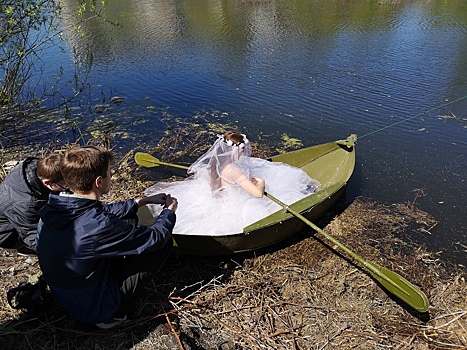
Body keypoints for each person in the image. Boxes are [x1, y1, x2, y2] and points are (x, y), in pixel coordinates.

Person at [36, 145, 178, 329]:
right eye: (109, 173)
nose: (111, 176)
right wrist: (169, 212)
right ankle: (113, 316)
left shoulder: (53, 208)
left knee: (129, 218)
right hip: (93, 307)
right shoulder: (97, 225)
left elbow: (102, 212)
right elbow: (155, 237)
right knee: (162, 242)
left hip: (67, 293)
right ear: (98, 182)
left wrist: (141, 202)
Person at [145, 131, 319, 236]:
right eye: (242, 149)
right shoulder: (234, 171)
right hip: (236, 206)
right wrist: (261, 183)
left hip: (221, 199)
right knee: (274, 199)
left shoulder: (216, 164)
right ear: (234, 151)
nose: (245, 152)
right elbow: (258, 194)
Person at [0, 153, 66, 256]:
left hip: (22, 213)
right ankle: (24, 248)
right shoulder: (24, 204)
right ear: (47, 183)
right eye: (66, 186)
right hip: (9, 234)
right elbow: (33, 236)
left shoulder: (38, 167)